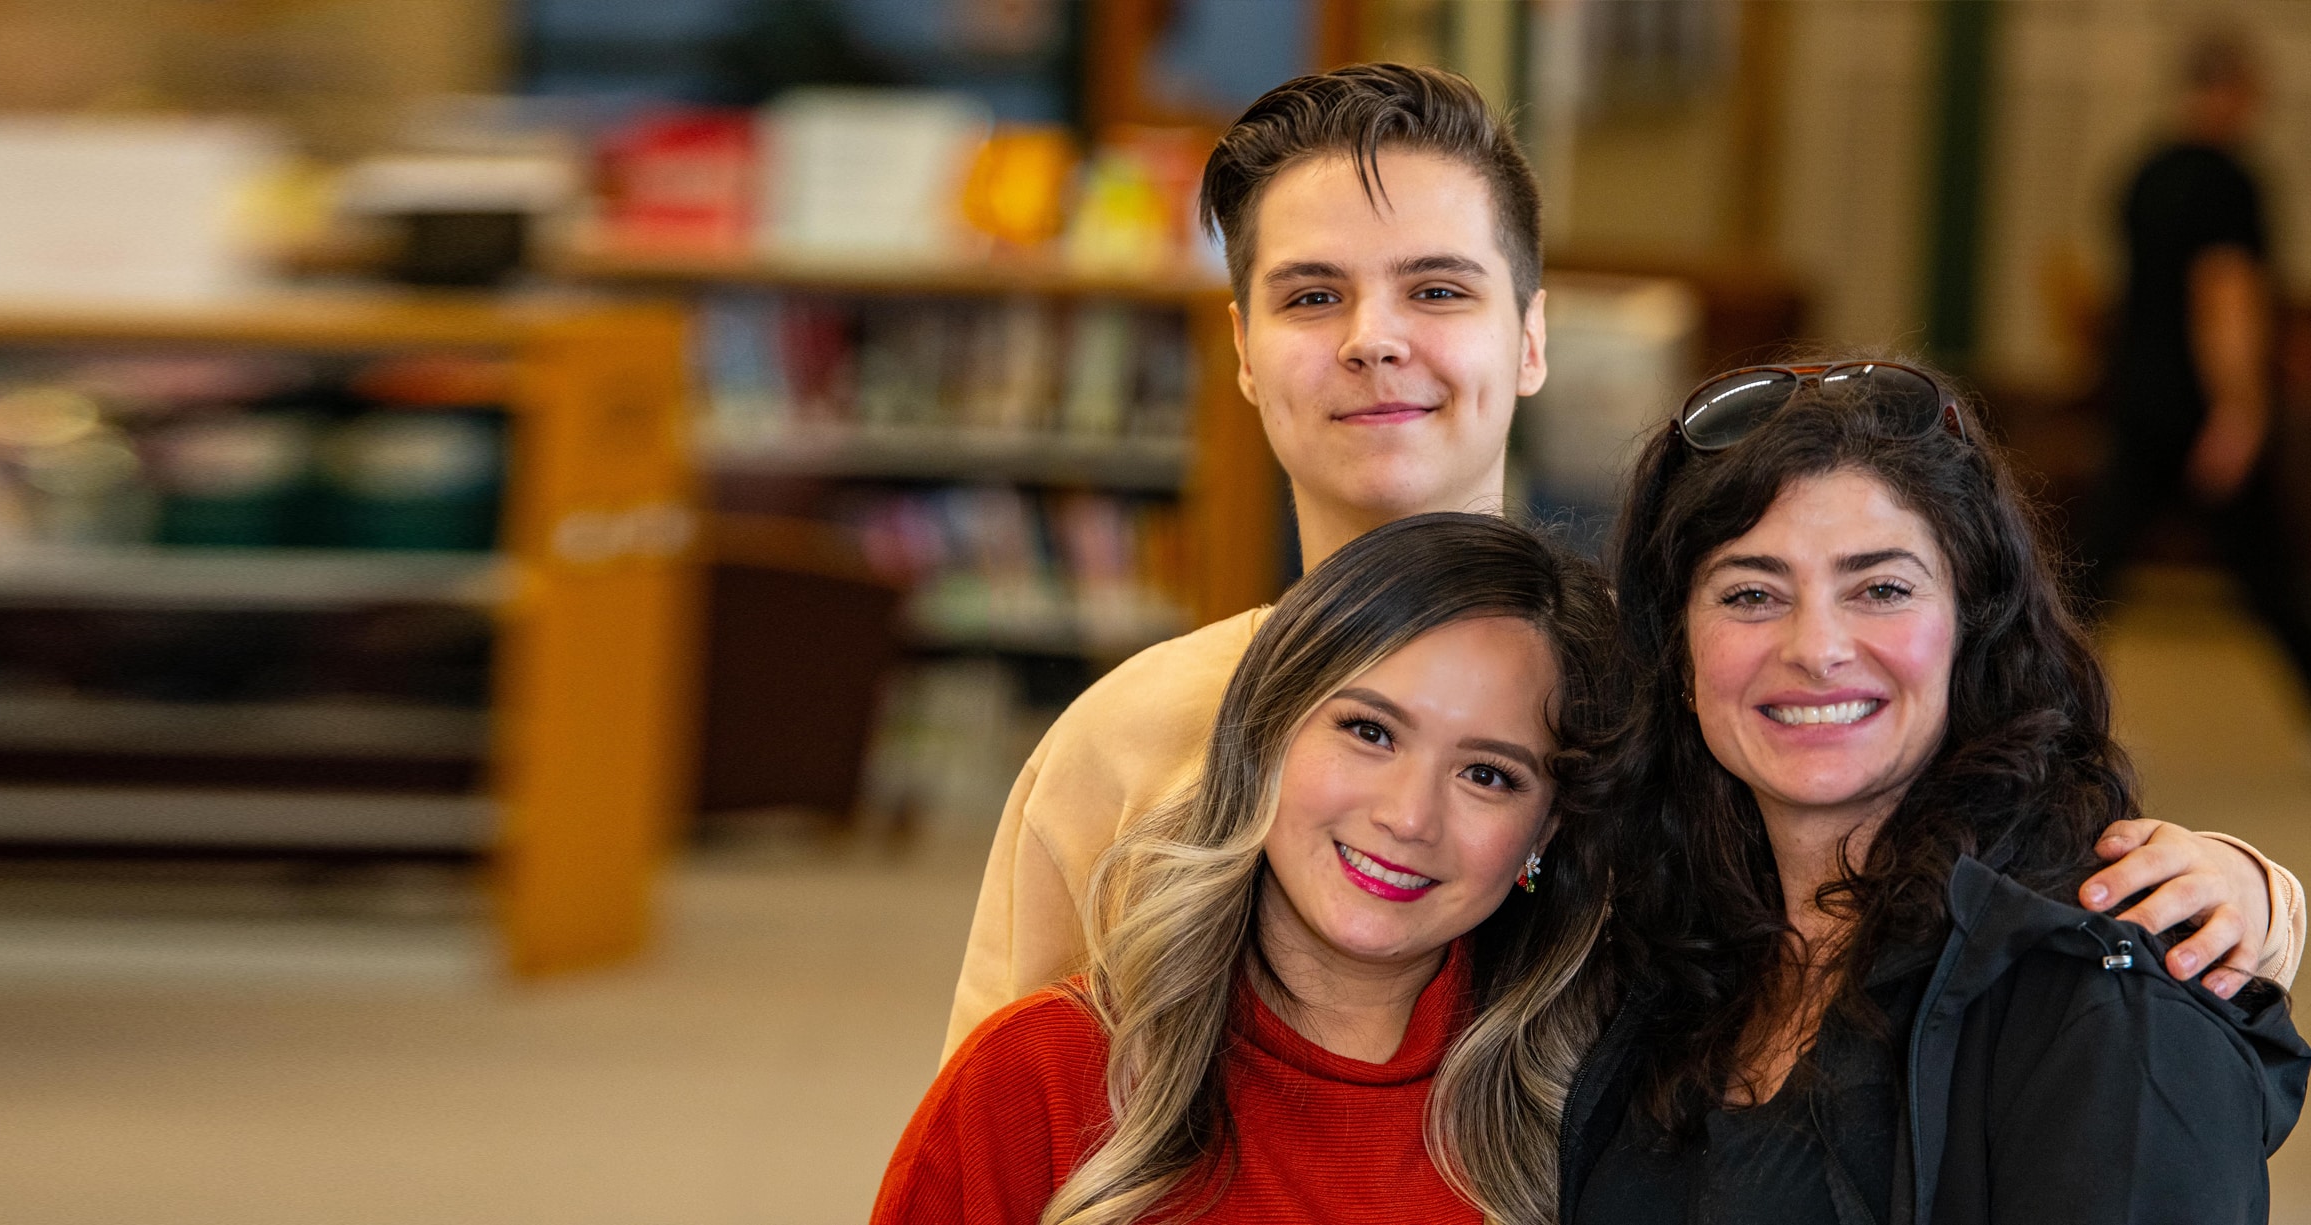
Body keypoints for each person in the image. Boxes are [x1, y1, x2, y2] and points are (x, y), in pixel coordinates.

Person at [945, 62, 2303, 1058]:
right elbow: (994, 1126)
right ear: (1240, 352)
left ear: (1530, 338)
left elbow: (1972, 851)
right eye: (1310, 295)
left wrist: (2244, 885)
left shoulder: (1695, 690)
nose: (1372, 338)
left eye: (1437, 287)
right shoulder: (1127, 742)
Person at [1561, 360, 2310, 1223]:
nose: (1817, 646)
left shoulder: (2105, 991)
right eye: (1751, 593)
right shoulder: (1655, 949)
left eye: (1881, 588)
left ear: (1973, 626)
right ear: (1678, 656)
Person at [877, 514, 1618, 1225]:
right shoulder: (1033, 1075)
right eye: (1370, 731)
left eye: (1488, 775)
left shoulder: (1603, 1106)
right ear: (1264, 731)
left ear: (1546, 829)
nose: (1410, 816)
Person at [2075, 32, 2311, 691]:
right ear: (2232, 90)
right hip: (2200, 405)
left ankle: (2028, 692)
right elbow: (2225, 298)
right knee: (2272, 577)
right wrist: (2239, 410)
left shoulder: (2144, 172)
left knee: (2096, 567)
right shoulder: (2228, 183)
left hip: (2139, 397)